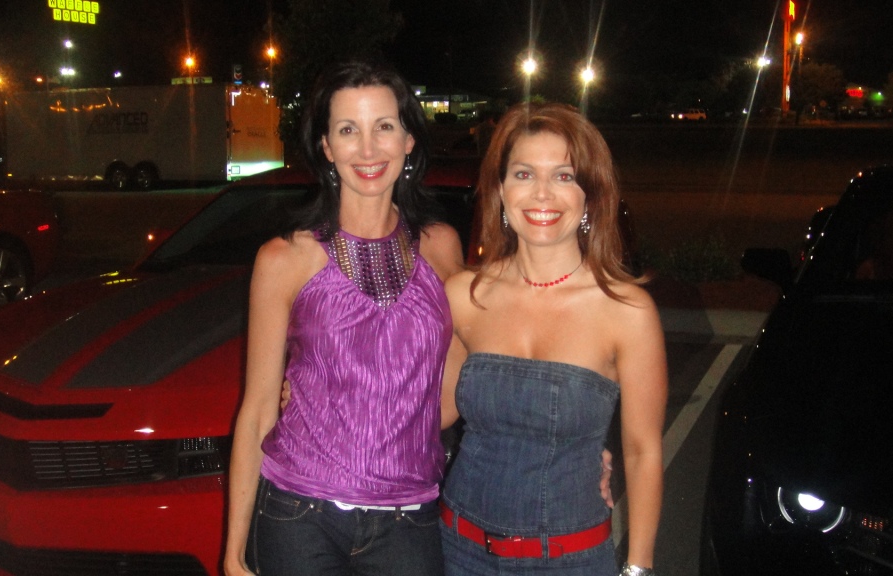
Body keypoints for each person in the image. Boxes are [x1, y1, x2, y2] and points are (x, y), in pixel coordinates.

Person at [223, 58, 464, 576]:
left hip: (409, 517)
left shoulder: (442, 248)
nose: (368, 149)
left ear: (409, 140)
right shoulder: (284, 258)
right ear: (327, 147)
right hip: (299, 514)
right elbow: (258, 409)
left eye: (384, 127)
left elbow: (455, 394)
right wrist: (234, 549)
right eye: (348, 130)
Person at [439, 102, 668, 576]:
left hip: (571, 559)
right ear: (500, 190)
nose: (542, 193)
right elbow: (431, 412)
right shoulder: (464, 295)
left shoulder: (626, 311)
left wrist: (638, 568)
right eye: (524, 174)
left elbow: (643, 452)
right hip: (457, 549)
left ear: (590, 197)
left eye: (564, 176)